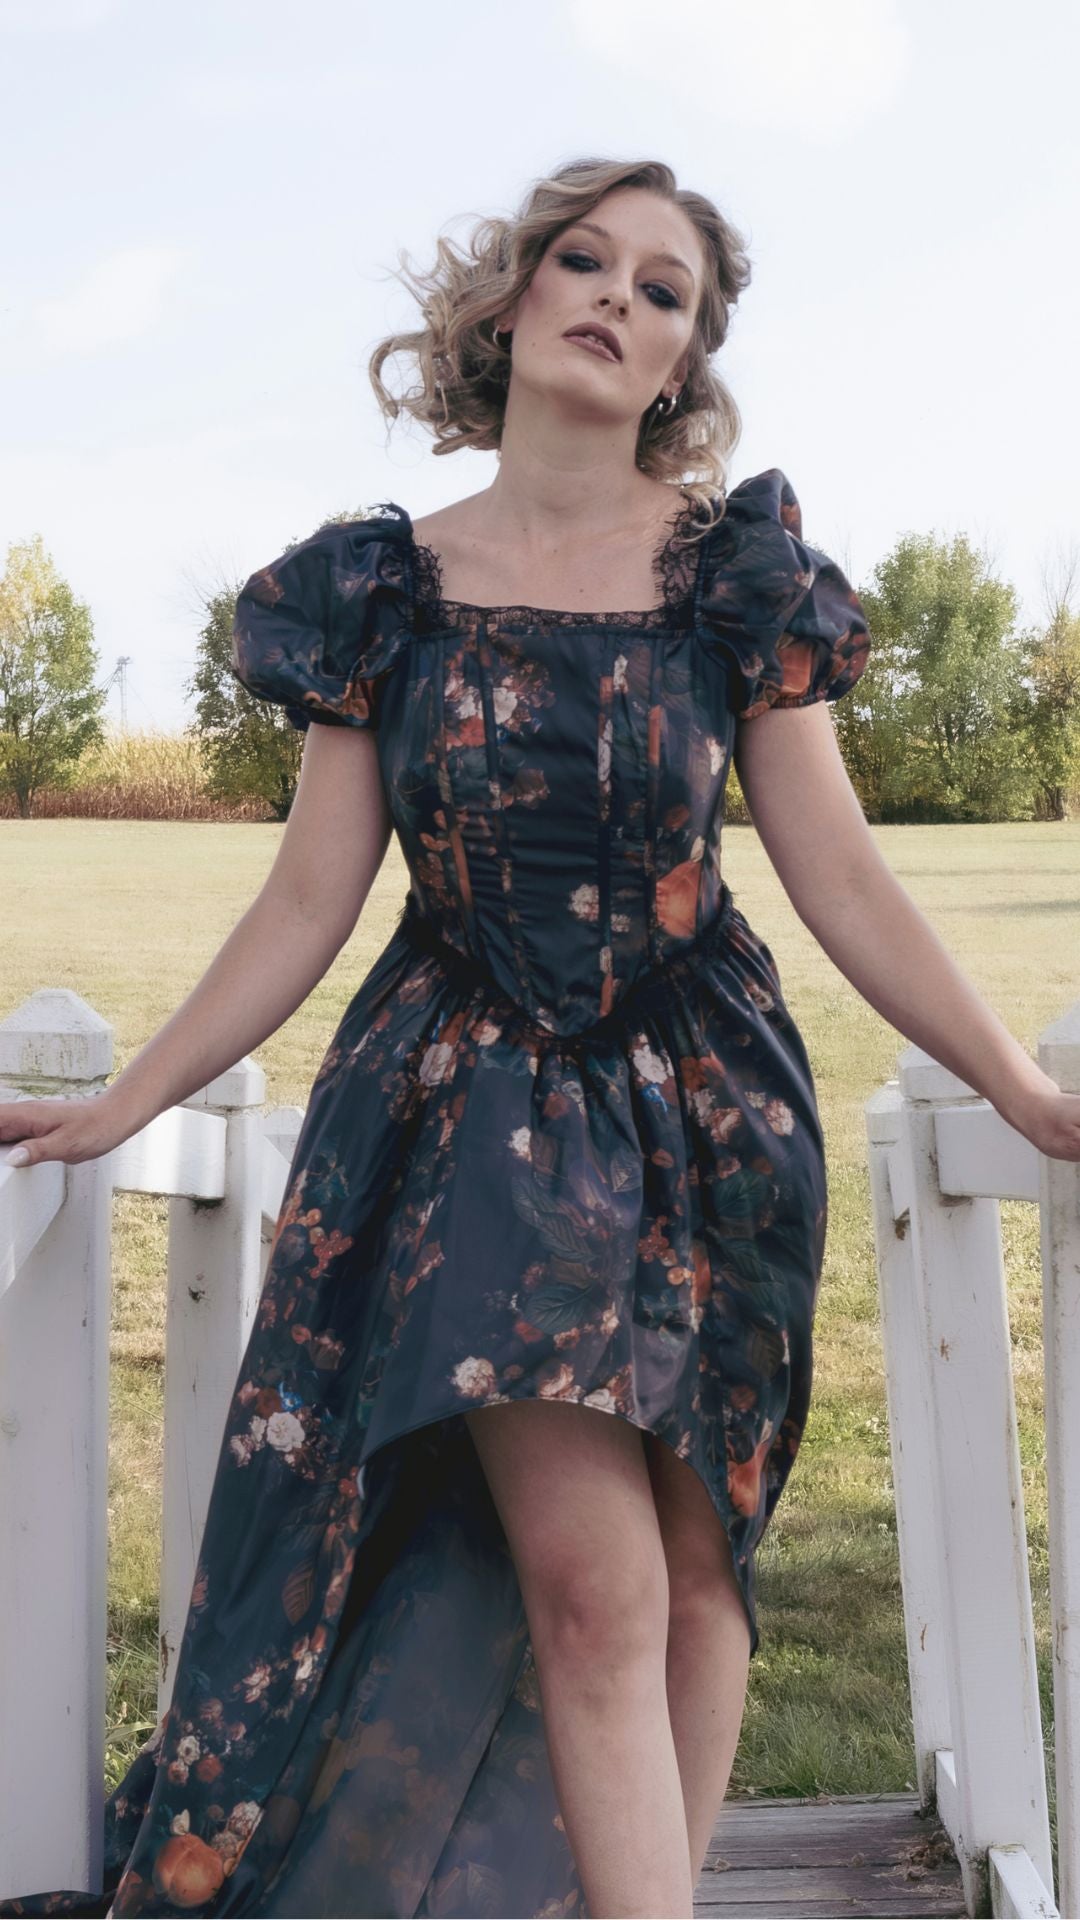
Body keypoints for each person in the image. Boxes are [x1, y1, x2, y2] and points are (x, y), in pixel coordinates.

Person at [2, 155, 1078, 1920]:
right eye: (586, 260)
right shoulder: (384, 591)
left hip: (711, 1112)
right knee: (596, 1583)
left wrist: (1024, 1089)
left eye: (667, 292)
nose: (618, 298)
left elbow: (841, 878)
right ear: (504, 306)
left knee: (699, 1570)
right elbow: (301, 905)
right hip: (465, 1115)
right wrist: (126, 1096)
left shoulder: (738, 579)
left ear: (685, 368)